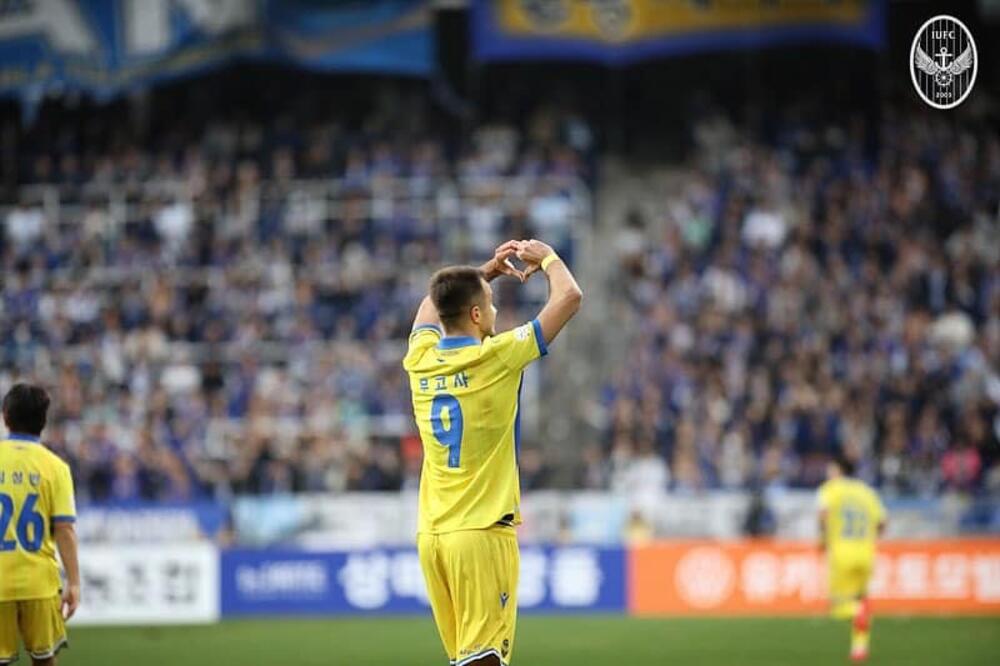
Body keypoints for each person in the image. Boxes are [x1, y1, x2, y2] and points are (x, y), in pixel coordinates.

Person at [404, 239, 582, 665]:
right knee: (484, 659)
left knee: (463, 659)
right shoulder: (497, 357)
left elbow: (433, 305)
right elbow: (570, 297)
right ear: (478, 314)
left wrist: (484, 274)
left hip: (432, 536)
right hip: (481, 533)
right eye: (491, 303)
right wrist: (549, 258)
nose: (497, 312)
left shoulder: (420, 359)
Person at [0, 384, 80, 666]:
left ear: (5, 415)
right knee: (45, 661)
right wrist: (74, 582)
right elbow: (65, 530)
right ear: (43, 422)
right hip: (40, 583)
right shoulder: (56, 467)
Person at [817, 452, 886, 663]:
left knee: (839, 607)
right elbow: (882, 523)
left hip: (842, 553)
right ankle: (859, 648)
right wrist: (869, 538)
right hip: (866, 553)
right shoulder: (867, 492)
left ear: (838, 470)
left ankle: (858, 611)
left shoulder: (830, 489)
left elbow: (823, 514)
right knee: (862, 598)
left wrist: (823, 539)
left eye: (831, 468)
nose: (828, 473)